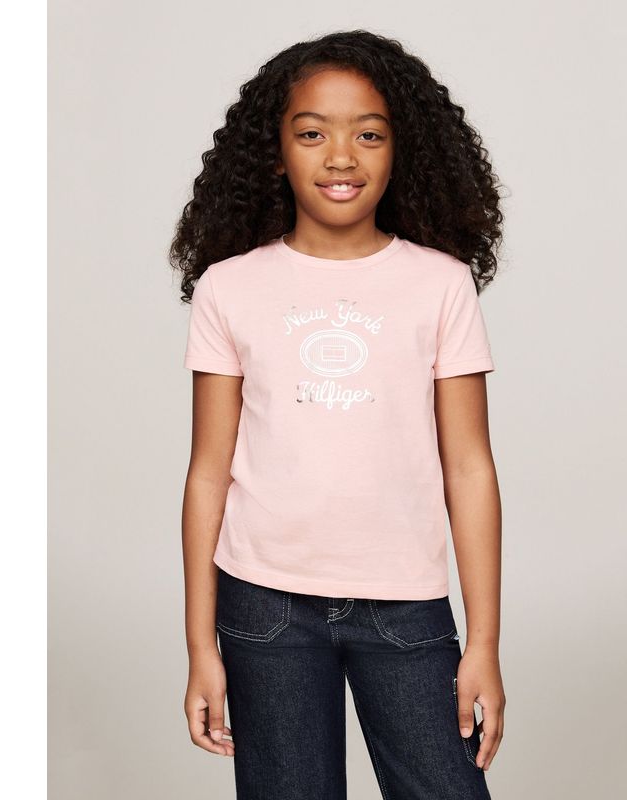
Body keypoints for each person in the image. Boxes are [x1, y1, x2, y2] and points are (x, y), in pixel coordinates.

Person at [170, 29, 506, 800]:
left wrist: (483, 642)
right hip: (264, 607)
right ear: (276, 151)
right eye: (313, 133)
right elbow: (207, 474)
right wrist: (199, 646)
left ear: (401, 149)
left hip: (406, 606)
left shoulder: (441, 285)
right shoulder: (229, 288)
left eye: (370, 134)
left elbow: (470, 467)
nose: (342, 157)